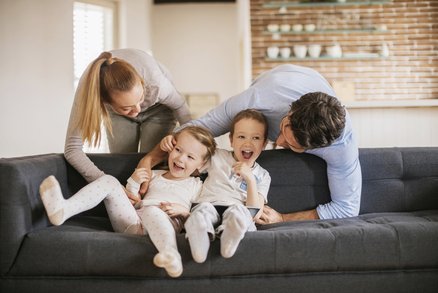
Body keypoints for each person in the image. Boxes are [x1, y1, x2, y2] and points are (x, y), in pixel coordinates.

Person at [138, 64, 362, 224]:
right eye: (282, 130)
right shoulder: (258, 99)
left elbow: (347, 207)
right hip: (276, 79)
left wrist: (283, 218)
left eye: (292, 146)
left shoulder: (341, 147)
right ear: (290, 111)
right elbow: (197, 131)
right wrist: (148, 161)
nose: (279, 141)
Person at [39, 126, 216, 278]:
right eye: (178, 150)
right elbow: (132, 200)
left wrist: (185, 214)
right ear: (171, 148)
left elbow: (205, 215)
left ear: (202, 165)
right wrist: (134, 181)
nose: (180, 158)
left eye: (190, 157)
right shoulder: (154, 174)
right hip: (132, 222)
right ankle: (64, 209)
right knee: (109, 180)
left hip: (164, 223)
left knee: (153, 211)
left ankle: (170, 254)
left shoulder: (197, 186)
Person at [65, 48, 191, 183]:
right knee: (122, 166)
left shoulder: (156, 83)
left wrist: (190, 149)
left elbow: (181, 108)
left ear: (142, 85)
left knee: (151, 167)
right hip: (117, 115)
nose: (137, 110)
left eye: (140, 99)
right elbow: (72, 149)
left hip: (158, 110)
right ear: (105, 101)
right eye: (127, 108)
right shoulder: (90, 90)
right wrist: (107, 183)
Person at [161, 109, 271, 262]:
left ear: (264, 144)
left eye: (256, 138)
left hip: (237, 211)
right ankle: (199, 242)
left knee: (239, 213)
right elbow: (190, 155)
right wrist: (172, 141)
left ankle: (230, 237)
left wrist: (250, 179)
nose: (248, 143)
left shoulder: (263, 176)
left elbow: (255, 213)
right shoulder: (217, 156)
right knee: (202, 211)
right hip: (209, 206)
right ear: (231, 140)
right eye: (241, 136)